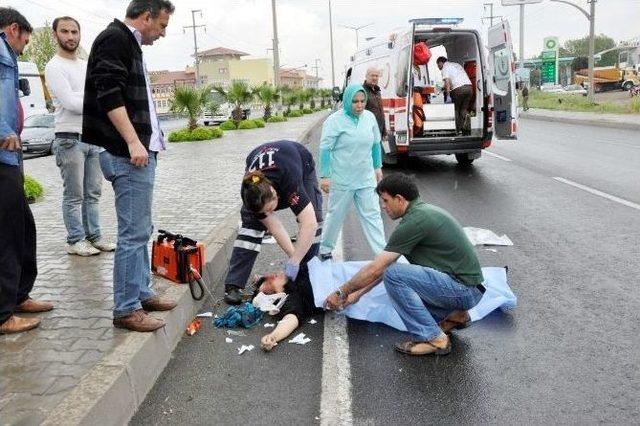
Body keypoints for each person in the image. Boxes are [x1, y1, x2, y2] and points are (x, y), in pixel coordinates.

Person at [83, 0, 176, 332]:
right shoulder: (115, 39)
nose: (163, 33)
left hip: (137, 153)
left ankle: (140, 292)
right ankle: (125, 309)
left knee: (141, 230)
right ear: (146, 16)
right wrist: (134, 141)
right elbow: (109, 93)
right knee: (132, 235)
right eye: (162, 25)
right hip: (126, 153)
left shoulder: (130, 45)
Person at [325, 173, 484, 356]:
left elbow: (379, 268)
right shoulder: (422, 212)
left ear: (399, 199)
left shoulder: (414, 222)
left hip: (462, 290)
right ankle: (456, 315)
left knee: (395, 275)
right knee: (396, 274)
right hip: (468, 290)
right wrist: (357, 294)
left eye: (385, 201)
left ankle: (435, 339)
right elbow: (386, 267)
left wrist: (342, 292)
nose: (383, 207)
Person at [0, 7, 54, 334]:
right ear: (14, 29)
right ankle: (3, 314)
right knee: (7, 234)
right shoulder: (1, 51)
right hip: (3, 151)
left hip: (11, 152)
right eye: (25, 41)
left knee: (24, 227)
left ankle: (19, 294)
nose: (24, 48)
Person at [45, 16, 116, 257]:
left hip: (92, 137)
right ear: (56, 34)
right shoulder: (53, 66)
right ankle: (75, 240)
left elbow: (92, 96)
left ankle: (94, 237)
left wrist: (85, 97)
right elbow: (70, 103)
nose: (70, 36)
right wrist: (92, 100)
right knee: (74, 195)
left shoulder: (86, 65)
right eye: (64, 31)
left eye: (74, 31)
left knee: (93, 193)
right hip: (68, 138)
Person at [224, 140, 323, 305]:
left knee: (313, 216)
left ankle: (309, 269)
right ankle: (233, 285)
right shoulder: (250, 191)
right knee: (250, 228)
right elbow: (275, 228)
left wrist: (297, 261)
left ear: (276, 193)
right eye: (265, 212)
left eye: (271, 209)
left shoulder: (290, 181)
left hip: (298, 159)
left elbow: (309, 223)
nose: (269, 214)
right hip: (259, 166)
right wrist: (293, 257)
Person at [318, 83, 386, 260]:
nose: (359, 105)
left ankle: (382, 254)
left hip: (365, 177)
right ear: (347, 101)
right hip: (343, 179)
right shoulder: (334, 121)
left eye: (362, 101)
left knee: (373, 215)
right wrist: (325, 176)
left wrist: (377, 167)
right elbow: (325, 149)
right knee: (335, 215)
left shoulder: (369, 118)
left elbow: (375, 144)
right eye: (355, 101)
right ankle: (325, 249)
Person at [254, 264, 318, 351]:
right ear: (275, 295)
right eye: (269, 283)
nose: (271, 276)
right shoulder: (293, 298)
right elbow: (291, 319)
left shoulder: (293, 277)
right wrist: (273, 337)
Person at [436, 56, 473, 135]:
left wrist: (448, 95)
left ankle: (456, 130)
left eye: (438, 65)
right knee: (463, 110)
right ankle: (464, 129)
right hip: (469, 88)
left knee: (455, 110)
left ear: (441, 62)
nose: (438, 67)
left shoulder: (445, 67)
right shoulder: (456, 65)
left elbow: (447, 82)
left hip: (458, 90)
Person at [362, 67, 387, 140]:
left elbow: (381, 112)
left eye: (376, 76)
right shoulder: (362, 91)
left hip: (378, 131)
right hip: (368, 132)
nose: (374, 78)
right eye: (372, 75)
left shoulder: (377, 91)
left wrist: (384, 132)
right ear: (366, 76)